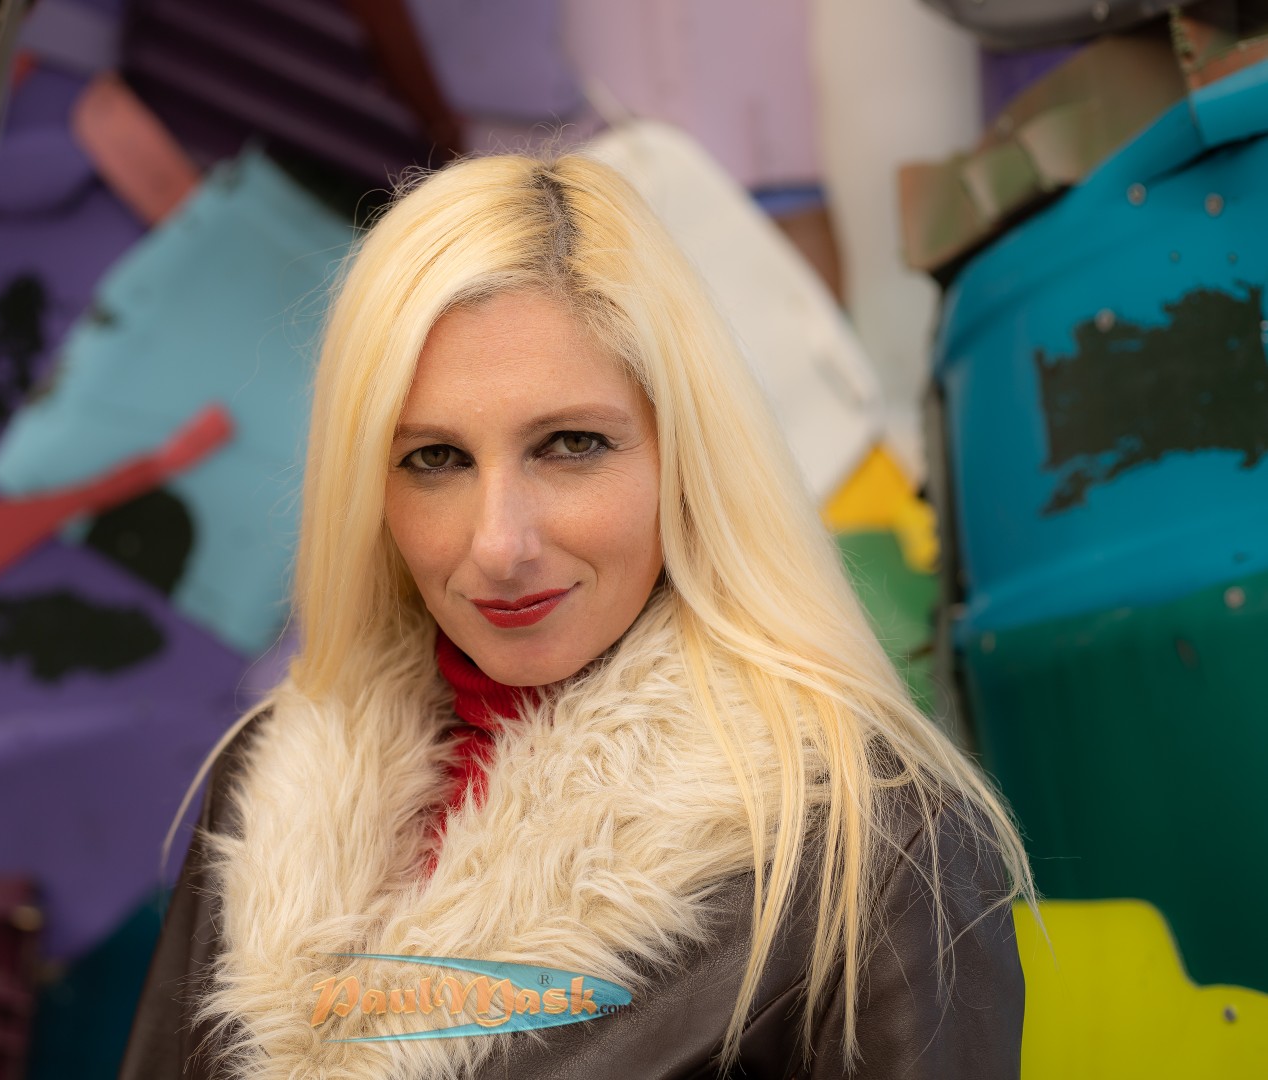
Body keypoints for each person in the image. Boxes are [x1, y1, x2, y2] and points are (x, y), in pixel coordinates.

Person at [120, 151, 1034, 1080]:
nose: (498, 544)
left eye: (570, 444)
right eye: (434, 458)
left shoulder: (872, 844)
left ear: (685, 454)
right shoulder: (267, 786)